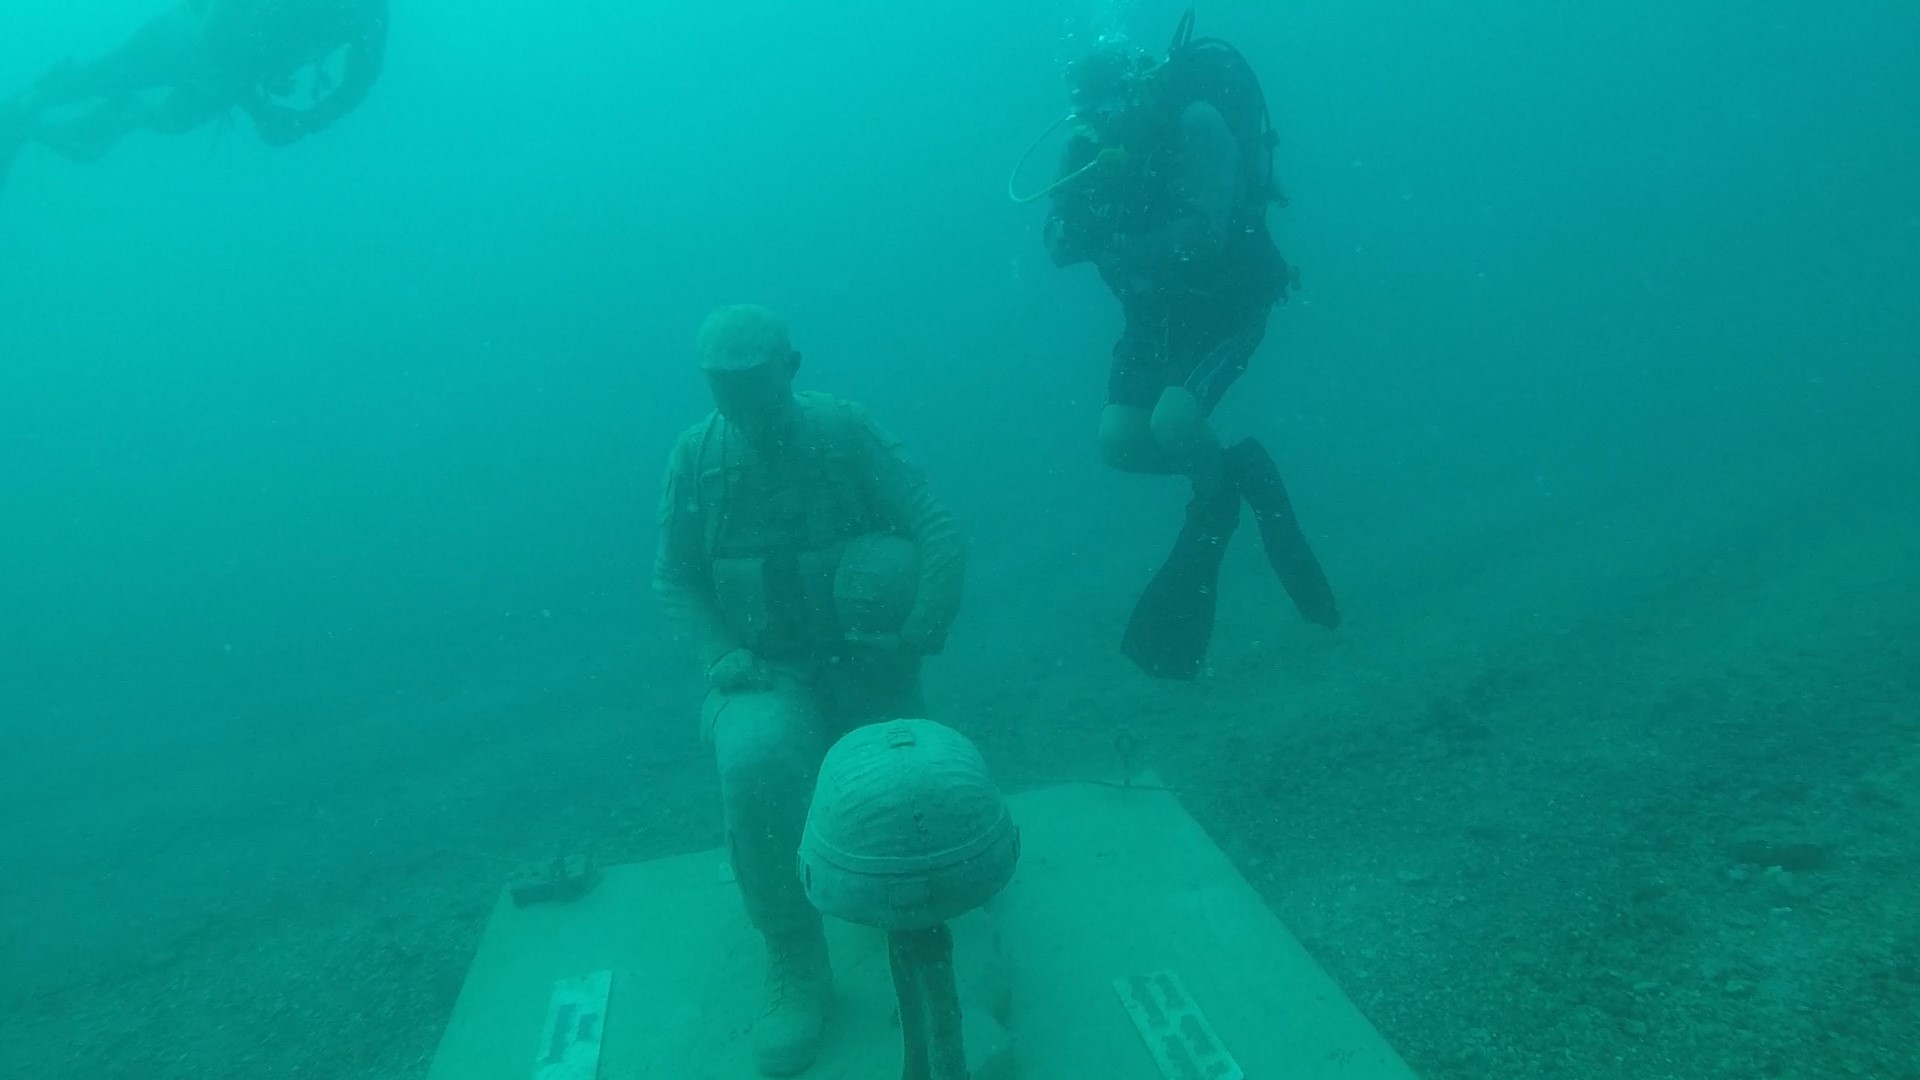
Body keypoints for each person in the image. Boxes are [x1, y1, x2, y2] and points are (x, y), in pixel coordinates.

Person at [651, 304, 967, 1076]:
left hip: (867, 663)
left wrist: (918, 632)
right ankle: (796, 958)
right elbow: (677, 577)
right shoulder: (696, 460)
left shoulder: (844, 431)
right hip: (766, 671)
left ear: (792, 367)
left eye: (754, 382)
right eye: (722, 387)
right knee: (754, 764)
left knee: (915, 779)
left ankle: (945, 912)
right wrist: (720, 652)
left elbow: (933, 524)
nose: (740, 402)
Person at [1035, 9, 1340, 678]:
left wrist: (1116, 242)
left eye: (1107, 103)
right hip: (1153, 318)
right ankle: (1239, 471)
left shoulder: (1194, 127)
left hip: (1227, 306)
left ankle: (1216, 499)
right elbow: (1057, 245)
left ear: (1138, 90)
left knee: (1176, 421)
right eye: (1086, 109)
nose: (1097, 118)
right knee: (1118, 443)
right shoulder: (1086, 148)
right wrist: (1088, 192)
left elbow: (1207, 237)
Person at [1, 0, 387, 188]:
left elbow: (362, 77)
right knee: (92, 81)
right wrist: (261, 112)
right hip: (176, 42)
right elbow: (214, 41)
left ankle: (123, 114)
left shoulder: (369, 9)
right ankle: (25, 106)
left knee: (172, 122)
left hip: (227, 72)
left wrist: (310, 119)